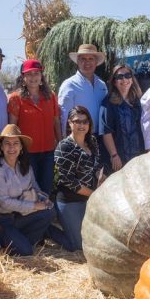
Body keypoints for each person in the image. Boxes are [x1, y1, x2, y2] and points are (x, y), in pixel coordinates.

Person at [0, 124, 59, 257]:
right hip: (3, 220)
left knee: (50, 211)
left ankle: (19, 239)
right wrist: (34, 206)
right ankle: (15, 239)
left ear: (21, 147)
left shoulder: (25, 166)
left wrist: (44, 199)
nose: (11, 147)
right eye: (7, 143)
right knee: (26, 251)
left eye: (16, 143)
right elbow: (4, 202)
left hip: (22, 216)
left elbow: (36, 188)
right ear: (1, 147)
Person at [54, 106, 105, 252]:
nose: (82, 125)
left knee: (96, 241)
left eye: (85, 121)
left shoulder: (93, 141)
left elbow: (96, 167)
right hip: (70, 201)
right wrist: (95, 194)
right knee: (78, 246)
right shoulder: (64, 147)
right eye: (77, 121)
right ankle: (48, 231)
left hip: (90, 199)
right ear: (70, 123)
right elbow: (69, 182)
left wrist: (103, 179)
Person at [8, 58, 61, 193]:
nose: (33, 77)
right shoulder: (16, 98)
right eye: (29, 74)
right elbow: (12, 127)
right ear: (23, 77)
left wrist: (60, 142)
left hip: (48, 151)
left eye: (36, 73)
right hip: (27, 153)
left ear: (41, 76)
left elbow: (56, 121)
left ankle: (46, 213)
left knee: (46, 187)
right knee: (31, 189)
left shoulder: (51, 96)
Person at [100, 63, 145, 172]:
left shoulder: (138, 100)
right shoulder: (108, 103)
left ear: (132, 79)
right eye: (120, 77)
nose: (124, 80)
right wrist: (114, 155)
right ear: (114, 82)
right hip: (120, 156)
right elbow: (106, 132)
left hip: (139, 154)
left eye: (127, 75)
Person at [58, 43, 108, 131]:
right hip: (80, 137)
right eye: (83, 59)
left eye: (91, 58)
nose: (87, 62)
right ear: (78, 61)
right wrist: (67, 141)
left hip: (101, 137)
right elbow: (64, 116)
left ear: (96, 62)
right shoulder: (69, 85)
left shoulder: (102, 85)